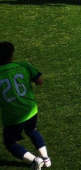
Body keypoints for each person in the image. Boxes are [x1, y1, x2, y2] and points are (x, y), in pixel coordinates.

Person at [0, 42, 51, 170]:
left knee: (10, 143)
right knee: (32, 130)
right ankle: (46, 159)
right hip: (30, 109)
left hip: (13, 115)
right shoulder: (23, 65)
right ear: (12, 54)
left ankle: (35, 160)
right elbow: (39, 82)